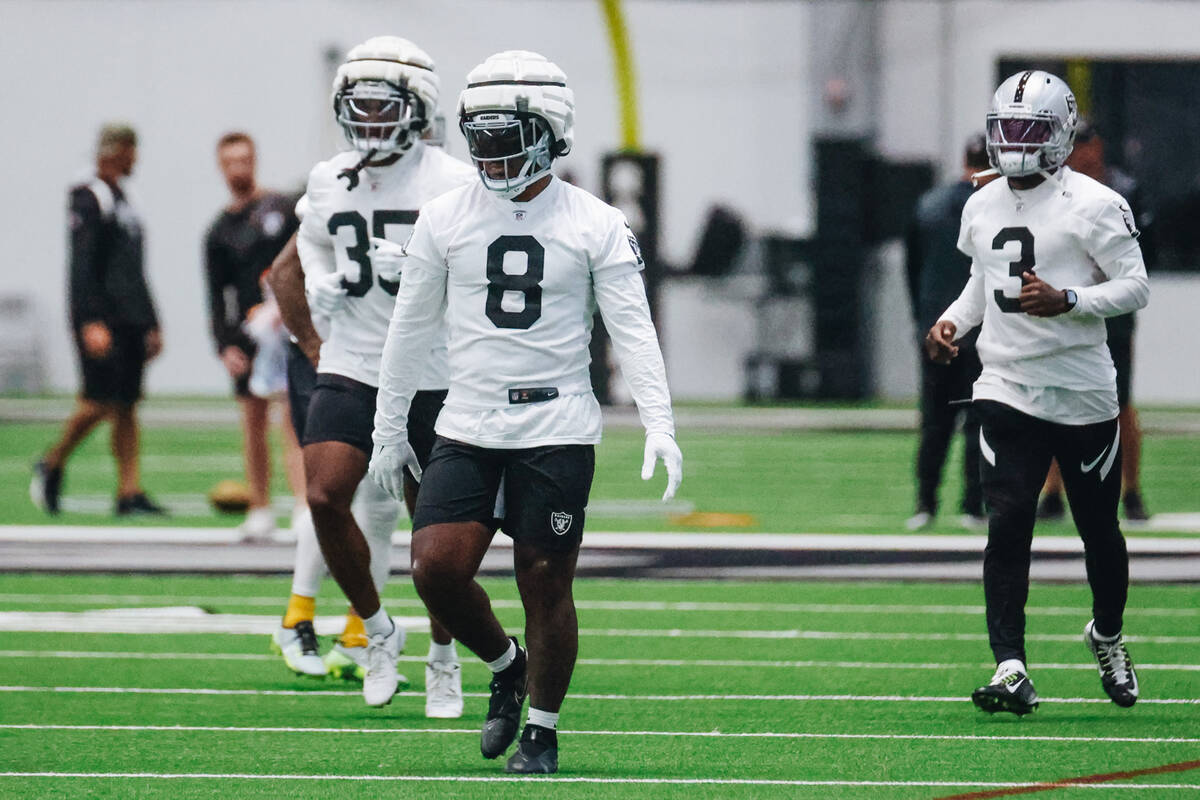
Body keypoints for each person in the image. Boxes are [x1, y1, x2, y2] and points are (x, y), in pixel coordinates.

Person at [369, 50, 683, 775]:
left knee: (545, 579)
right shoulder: (445, 217)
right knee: (433, 570)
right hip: (468, 418)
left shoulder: (596, 221)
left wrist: (659, 422)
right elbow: (409, 329)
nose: (488, 150)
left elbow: (633, 328)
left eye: (504, 133)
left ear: (548, 130)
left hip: (557, 425)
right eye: (478, 134)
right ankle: (506, 664)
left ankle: (540, 731)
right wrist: (389, 427)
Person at [925, 70, 1148, 716]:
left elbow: (1134, 286)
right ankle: (1011, 665)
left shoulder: (1097, 204)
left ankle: (1106, 634)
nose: (1016, 143)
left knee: (1099, 531)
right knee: (1009, 518)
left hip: (1081, 393)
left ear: (1057, 136)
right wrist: (951, 323)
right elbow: (981, 282)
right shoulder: (982, 201)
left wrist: (1070, 299)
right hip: (1006, 386)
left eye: (1029, 131)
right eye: (1007, 131)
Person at [272, 35, 476, 714]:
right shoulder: (331, 177)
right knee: (326, 496)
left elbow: (479, 269)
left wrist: (427, 274)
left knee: (433, 533)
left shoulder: (451, 181)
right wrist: (321, 288)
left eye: (382, 108)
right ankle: (378, 629)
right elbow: (307, 244)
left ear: (418, 110)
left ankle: (443, 655)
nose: (368, 122)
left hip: (430, 366)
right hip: (354, 358)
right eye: (356, 107)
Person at [31, 123, 165, 517]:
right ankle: (52, 460)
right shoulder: (89, 196)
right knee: (98, 401)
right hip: (101, 318)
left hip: (129, 318)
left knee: (126, 404)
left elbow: (135, 268)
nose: (135, 159)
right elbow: (83, 262)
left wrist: (150, 321)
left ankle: (129, 491)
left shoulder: (126, 199)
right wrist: (90, 319)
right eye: (131, 150)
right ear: (116, 151)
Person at [1037, 119, 1149, 523]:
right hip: (1063, 309)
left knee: (1119, 404)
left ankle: (1131, 491)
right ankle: (1053, 490)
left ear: (1097, 147)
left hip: (1109, 313)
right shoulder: (1055, 190)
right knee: (1055, 398)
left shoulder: (1122, 192)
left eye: (1083, 146)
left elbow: (1137, 261)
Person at [204, 132, 303, 541]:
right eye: (230, 162)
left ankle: (303, 507)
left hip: (290, 325)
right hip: (248, 332)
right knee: (252, 420)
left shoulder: (282, 209)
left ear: (255, 159)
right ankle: (260, 508)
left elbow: (305, 260)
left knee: (295, 419)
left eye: (244, 160)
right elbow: (216, 294)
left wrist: (292, 311)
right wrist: (225, 343)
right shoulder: (219, 231)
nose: (238, 169)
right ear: (221, 166)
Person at [904, 134, 993, 531]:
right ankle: (972, 505)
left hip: (937, 330)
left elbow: (913, 269)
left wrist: (923, 320)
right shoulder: (994, 207)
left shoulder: (929, 204)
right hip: (981, 332)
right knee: (978, 423)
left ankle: (925, 502)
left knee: (935, 424)